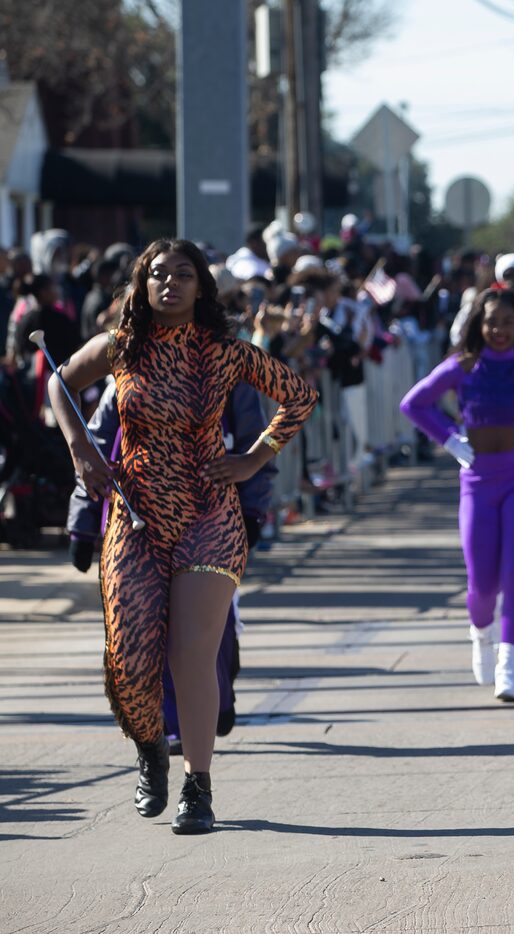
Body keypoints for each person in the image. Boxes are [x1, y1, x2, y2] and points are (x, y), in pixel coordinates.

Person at [47, 238, 317, 834]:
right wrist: (80, 450)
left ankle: (198, 785)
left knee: (190, 655)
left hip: (207, 516)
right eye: (159, 274)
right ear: (142, 285)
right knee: (129, 658)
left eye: (184, 275)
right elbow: (58, 385)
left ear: (202, 287)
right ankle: (150, 751)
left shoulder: (225, 352)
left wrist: (251, 460)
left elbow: (298, 397)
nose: (170, 284)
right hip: (134, 515)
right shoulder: (121, 347)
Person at [66, 380, 277, 752]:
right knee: (152, 627)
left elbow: (254, 445)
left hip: (210, 518)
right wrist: (82, 524)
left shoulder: (228, 372)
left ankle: (221, 690)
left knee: (209, 626)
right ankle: (170, 725)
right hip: (139, 522)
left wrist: (252, 511)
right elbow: (94, 447)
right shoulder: (126, 373)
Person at [399, 288, 514, 701]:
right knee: (481, 582)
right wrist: (449, 439)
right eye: (492, 321)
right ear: (479, 323)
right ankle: (480, 634)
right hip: (477, 480)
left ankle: (509, 665)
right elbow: (413, 404)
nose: (499, 330)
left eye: (508, 323)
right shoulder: (464, 365)